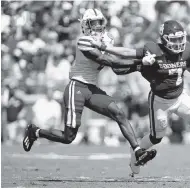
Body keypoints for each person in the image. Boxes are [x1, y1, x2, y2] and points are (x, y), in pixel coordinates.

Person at [88, 20, 190, 177]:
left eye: (180, 38)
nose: (178, 43)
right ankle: (135, 152)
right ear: (164, 39)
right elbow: (127, 52)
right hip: (160, 102)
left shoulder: (186, 51)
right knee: (156, 138)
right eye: (174, 39)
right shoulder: (154, 51)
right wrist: (106, 47)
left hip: (180, 97)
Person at [23, 9, 156, 167]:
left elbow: (117, 67)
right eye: (94, 23)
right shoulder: (84, 41)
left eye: (100, 22)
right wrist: (140, 62)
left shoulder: (106, 40)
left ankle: (138, 151)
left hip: (92, 89)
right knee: (68, 137)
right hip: (77, 87)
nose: (98, 26)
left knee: (119, 113)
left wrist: (139, 65)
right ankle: (35, 132)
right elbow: (107, 61)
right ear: (85, 25)